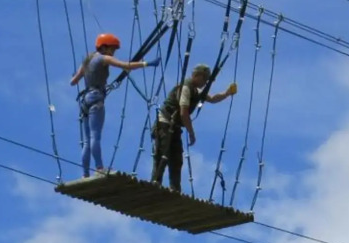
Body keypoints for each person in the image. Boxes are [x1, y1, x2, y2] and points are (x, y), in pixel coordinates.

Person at [69, 32, 148, 177]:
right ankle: (99, 168)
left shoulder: (87, 59)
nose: (113, 53)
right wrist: (145, 63)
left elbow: (73, 82)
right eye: (112, 49)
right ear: (104, 47)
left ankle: (85, 174)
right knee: (95, 136)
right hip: (96, 99)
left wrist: (76, 75)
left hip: (85, 100)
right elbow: (126, 66)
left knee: (86, 141)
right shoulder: (103, 58)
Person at [150, 63, 238, 190]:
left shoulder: (196, 91)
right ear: (196, 76)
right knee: (163, 153)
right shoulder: (186, 88)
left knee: (176, 158)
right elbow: (183, 112)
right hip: (165, 122)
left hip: (174, 126)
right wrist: (191, 133)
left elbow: (212, 98)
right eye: (204, 79)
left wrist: (227, 93)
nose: (205, 82)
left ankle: (175, 188)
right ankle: (155, 182)